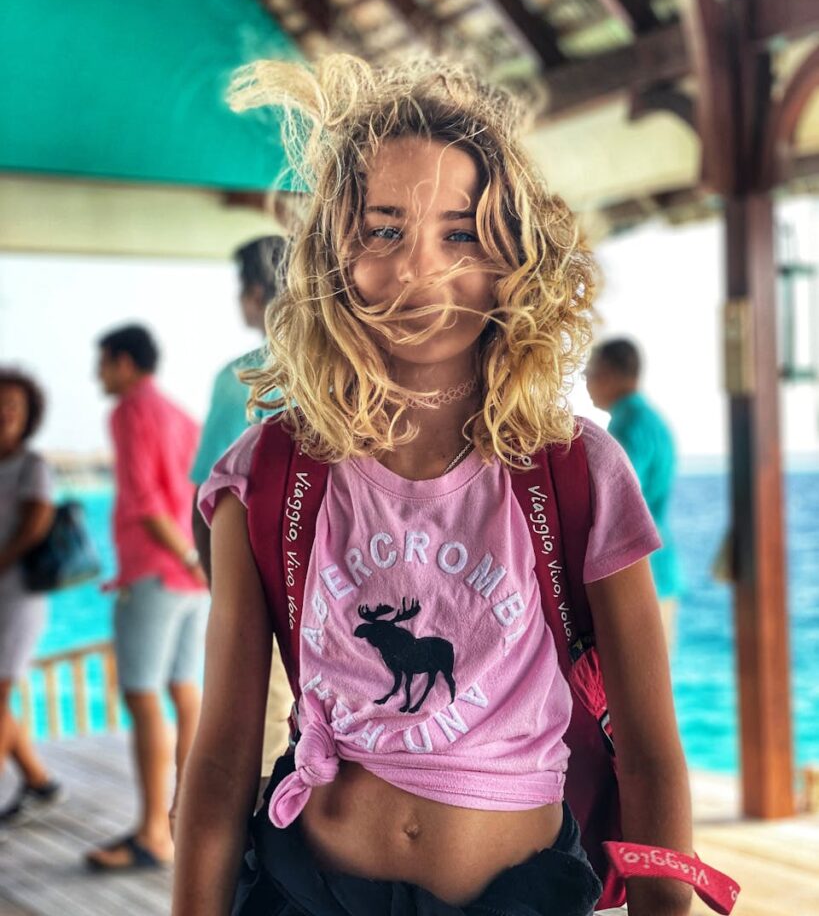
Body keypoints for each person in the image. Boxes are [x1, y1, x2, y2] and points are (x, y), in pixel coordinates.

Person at [172, 56, 693, 916]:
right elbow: (224, 754)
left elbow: (649, 752)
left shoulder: (575, 472)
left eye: (460, 234)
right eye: (383, 230)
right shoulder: (264, 478)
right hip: (304, 891)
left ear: (515, 257)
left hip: (517, 895)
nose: (420, 269)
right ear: (331, 253)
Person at [87, 325, 207, 871]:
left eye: (104, 363)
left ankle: (152, 832)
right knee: (185, 693)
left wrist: (181, 555)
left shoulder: (130, 411)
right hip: (193, 577)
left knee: (141, 696)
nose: (98, 375)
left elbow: (146, 500)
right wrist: (199, 560)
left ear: (124, 362)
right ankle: (185, 819)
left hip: (159, 572)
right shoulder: (180, 415)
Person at [189, 233, 294, 775]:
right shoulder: (344, 367)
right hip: (337, 583)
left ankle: (259, 851)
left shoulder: (241, 377)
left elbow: (206, 495)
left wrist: (220, 590)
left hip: (260, 584)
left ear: (255, 293)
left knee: (259, 733)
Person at [585, 339, 684, 649]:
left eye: (591, 372)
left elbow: (616, 500)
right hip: (659, 568)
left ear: (612, 375)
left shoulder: (629, 428)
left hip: (640, 574)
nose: (586, 381)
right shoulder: (651, 422)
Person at [0, 369, 64, 828]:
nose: (5, 413)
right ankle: (39, 782)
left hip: (18, 598)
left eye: (14, 406)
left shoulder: (31, 466)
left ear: (28, 416)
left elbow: (36, 522)